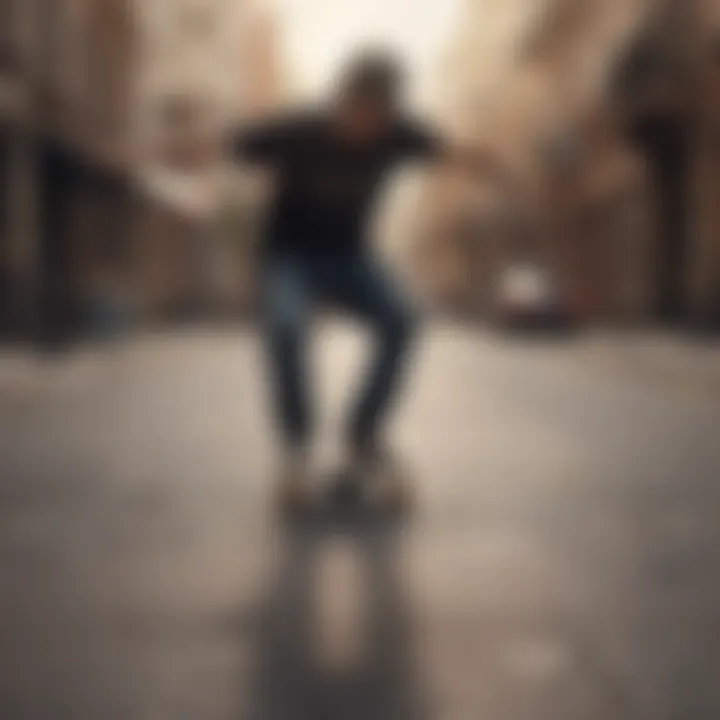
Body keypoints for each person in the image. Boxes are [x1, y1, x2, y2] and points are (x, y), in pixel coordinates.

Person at [232, 49, 513, 512]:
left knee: (402, 320)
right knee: (285, 326)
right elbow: (232, 144)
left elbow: (453, 152)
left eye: (377, 119)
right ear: (341, 102)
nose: (366, 129)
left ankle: (364, 435)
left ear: (389, 114)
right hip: (291, 258)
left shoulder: (399, 135)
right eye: (358, 115)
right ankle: (296, 448)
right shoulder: (299, 131)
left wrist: (495, 163)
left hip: (351, 257)